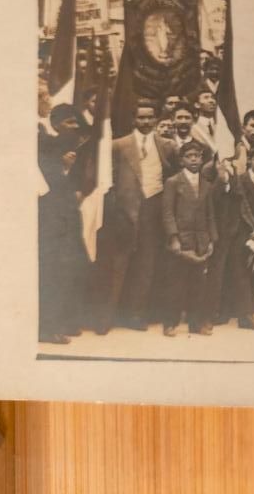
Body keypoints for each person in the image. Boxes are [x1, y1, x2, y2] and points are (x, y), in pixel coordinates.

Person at [97, 99, 178, 333]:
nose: (146, 121)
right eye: (141, 117)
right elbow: (107, 178)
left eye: (150, 117)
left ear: (156, 119)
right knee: (118, 264)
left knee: (146, 264)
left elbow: (174, 173)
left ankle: (135, 314)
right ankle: (107, 316)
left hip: (153, 209)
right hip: (126, 211)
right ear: (134, 119)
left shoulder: (166, 145)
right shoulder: (119, 145)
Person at [37, 104, 90, 344]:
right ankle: (48, 327)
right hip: (52, 227)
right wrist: (64, 168)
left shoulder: (74, 155)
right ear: (56, 125)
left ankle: (64, 321)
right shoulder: (46, 155)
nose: (75, 128)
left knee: (70, 272)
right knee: (52, 274)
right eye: (70, 123)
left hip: (68, 224)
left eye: (77, 123)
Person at [161, 142, 218, 337]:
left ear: (202, 160)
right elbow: (168, 213)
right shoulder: (173, 182)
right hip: (181, 240)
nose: (194, 159)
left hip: (200, 240)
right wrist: (173, 238)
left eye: (197, 156)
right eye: (189, 156)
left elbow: (211, 215)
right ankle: (170, 323)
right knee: (175, 284)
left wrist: (211, 239)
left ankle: (196, 323)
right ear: (181, 160)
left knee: (198, 285)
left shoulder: (207, 185)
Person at [208, 148, 254, 331]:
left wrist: (251, 227)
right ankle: (214, 314)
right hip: (219, 231)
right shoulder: (208, 170)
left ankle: (245, 316)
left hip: (237, 230)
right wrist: (220, 180)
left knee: (241, 273)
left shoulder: (235, 172)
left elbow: (242, 201)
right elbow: (208, 201)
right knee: (217, 274)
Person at [192, 88, 220, 156]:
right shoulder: (193, 128)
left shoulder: (220, 125)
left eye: (213, 98)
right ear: (197, 105)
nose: (211, 101)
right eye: (206, 98)